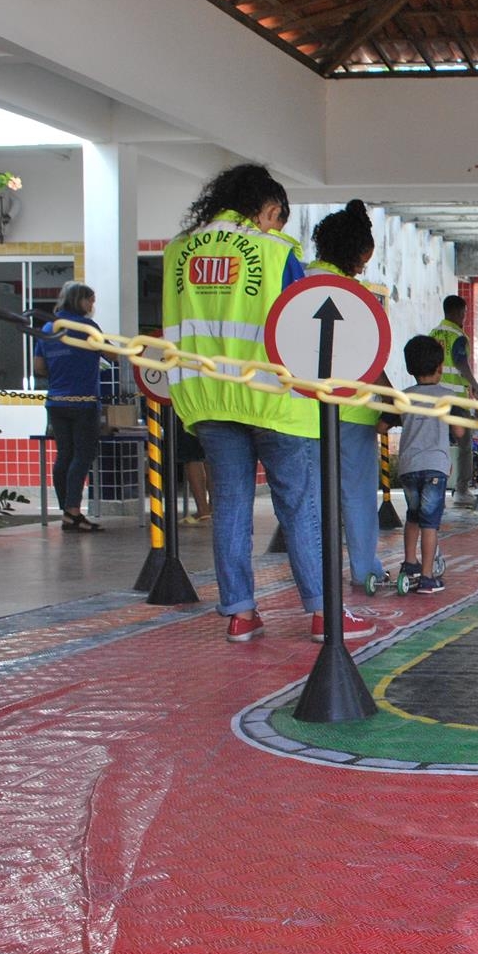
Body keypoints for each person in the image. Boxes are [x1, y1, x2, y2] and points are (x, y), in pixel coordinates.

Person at [164, 163, 374, 644]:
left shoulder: (178, 251)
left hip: (207, 398)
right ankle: (324, 614)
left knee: (231, 507)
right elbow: (299, 325)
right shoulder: (274, 250)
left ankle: (240, 613)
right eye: (277, 218)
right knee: (301, 507)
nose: (277, 226)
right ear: (270, 209)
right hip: (274, 399)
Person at [309, 199, 388, 591]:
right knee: (357, 497)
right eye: (363, 259)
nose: (363, 267)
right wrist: (390, 401)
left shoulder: (296, 283)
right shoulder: (356, 295)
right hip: (354, 414)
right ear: (356, 253)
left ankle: (317, 577)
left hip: (302, 412)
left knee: (312, 499)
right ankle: (363, 570)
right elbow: (371, 358)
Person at [33, 281, 115, 533]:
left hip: (56, 402)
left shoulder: (49, 328)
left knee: (65, 455)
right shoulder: (86, 328)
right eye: (90, 300)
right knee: (83, 456)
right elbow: (111, 355)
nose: (92, 306)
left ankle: (67, 513)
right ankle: (73, 511)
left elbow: (39, 368)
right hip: (84, 402)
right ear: (79, 301)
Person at [393, 335, 461, 594]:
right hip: (435, 465)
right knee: (430, 523)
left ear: (410, 367)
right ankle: (427, 577)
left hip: (408, 466)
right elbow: (459, 431)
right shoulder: (447, 395)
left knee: (413, 516)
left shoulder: (403, 396)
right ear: (440, 367)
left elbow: (381, 425)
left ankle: (410, 563)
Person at [426, 295, 478, 506]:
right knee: (464, 445)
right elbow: (460, 362)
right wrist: (475, 385)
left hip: (435, 397)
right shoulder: (459, 335)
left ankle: (433, 487)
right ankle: (461, 489)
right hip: (457, 400)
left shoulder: (433, 334)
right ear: (460, 312)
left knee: (436, 442)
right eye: (465, 313)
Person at [176, 427, 212, 525]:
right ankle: (214, 507)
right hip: (212, 416)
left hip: (187, 416)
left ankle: (202, 510)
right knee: (211, 455)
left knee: (191, 457)